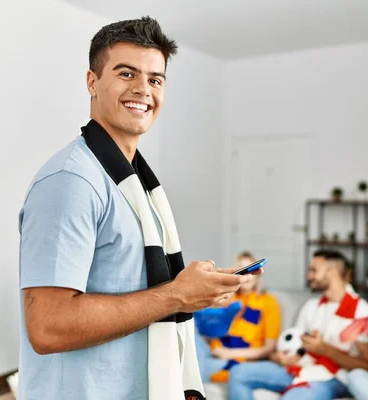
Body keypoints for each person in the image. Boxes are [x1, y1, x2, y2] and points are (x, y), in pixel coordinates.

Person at [17, 17, 259, 400]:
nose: (143, 90)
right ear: (92, 82)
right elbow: (48, 326)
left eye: (155, 79)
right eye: (127, 73)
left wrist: (196, 289)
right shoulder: (71, 183)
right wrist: (177, 295)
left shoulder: (137, 185)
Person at [228, 250, 368, 400]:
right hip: (301, 368)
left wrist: (326, 350)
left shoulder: (364, 313)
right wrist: (279, 357)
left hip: (333, 377)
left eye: (314, 270)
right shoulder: (312, 306)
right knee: (238, 372)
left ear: (333, 272)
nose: (309, 276)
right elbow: (292, 346)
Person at [195, 251, 281, 383]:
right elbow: (208, 329)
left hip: (237, 358)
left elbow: (268, 348)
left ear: (258, 275)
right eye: (242, 269)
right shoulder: (227, 297)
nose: (247, 274)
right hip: (212, 351)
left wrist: (229, 353)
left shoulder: (268, 302)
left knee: (201, 369)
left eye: (250, 269)